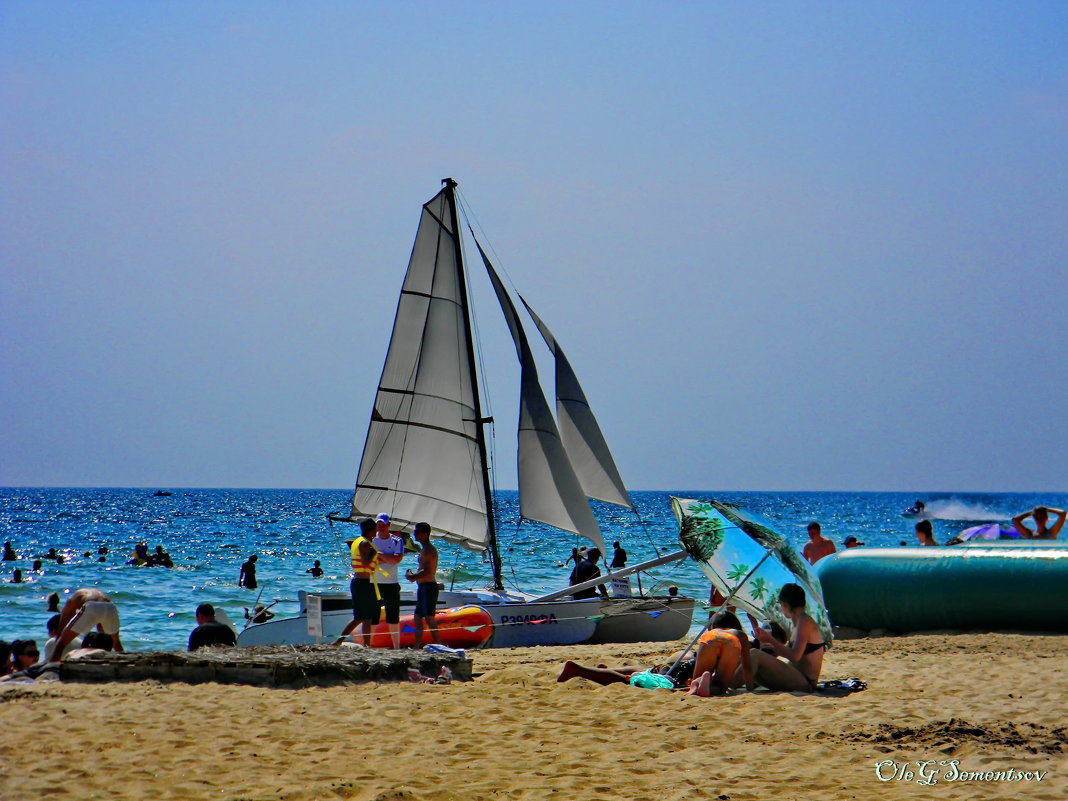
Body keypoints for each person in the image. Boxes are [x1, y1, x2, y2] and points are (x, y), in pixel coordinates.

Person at [740, 583, 827, 692]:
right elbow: (794, 654)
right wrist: (772, 648)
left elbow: (795, 656)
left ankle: (729, 685)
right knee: (752, 662)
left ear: (784, 604)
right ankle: (733, 684)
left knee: (754, 654)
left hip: (806, 682)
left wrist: (770, 640)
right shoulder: (797, 622)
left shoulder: (804, 622)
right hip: (797, 676)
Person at [685, 611, 754, 697]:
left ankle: (696, 683)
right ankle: (710, 688)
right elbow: (747, 665)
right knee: (720, 687)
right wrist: (750, 687)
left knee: (697, 677)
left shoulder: (711, 631)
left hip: (710, 638)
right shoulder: (740, 634)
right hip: (731, 640)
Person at [338, 518, 380, 646]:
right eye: (375, 529)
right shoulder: (365, 544)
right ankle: (362, 644)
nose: (377, 532)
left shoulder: (358, 541)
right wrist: (376, 550)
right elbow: (366, 563)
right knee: (364, 617)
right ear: (371, 530)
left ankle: (341, 641)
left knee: (363, 617)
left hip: (360, 582)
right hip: (363, 583)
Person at [51, 588, 124, 661]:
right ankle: (123, 661)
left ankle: (52, 666)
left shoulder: (71, 600)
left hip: (92, 605)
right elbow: (100, 625)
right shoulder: (89, 594)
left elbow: (64, 619)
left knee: (61, 643)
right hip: (110, 606)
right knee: (116, 643)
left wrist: (58, 637)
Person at [371, 513, 405, 648]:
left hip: (391, 583)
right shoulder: (372, 540)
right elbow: (371, 560)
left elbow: (396, 559)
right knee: (373, 615)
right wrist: (387, 558)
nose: (382, 528)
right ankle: (370, 645)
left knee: (393, 616)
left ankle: (396, 646)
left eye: (384, 525)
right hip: (374, 583)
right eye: (379, 525)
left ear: (389, 525)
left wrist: (379, 555)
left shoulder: (397, 540)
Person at [405, 522, 441, 648]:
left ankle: (439, 644)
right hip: (423, 586)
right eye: (415, 531)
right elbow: (423, 569)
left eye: (418, 532)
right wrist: (413, 575)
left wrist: (413, 577)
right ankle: (417, 646)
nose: (415, 534)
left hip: (428, 587)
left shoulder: (429, 550)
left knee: (429, 618)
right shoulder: (424, 549)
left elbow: (427, 571)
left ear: (426, 534)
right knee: (417, 616)